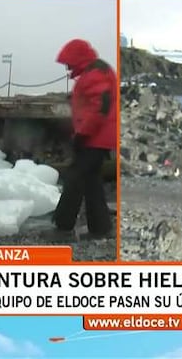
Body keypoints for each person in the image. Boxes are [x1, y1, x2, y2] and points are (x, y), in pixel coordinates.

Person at [51, 39, 116, 237]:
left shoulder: (95, 74)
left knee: (74, 177)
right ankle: (100, 228)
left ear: (77, 59)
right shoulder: (93, 73)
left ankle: (63, 226)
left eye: (68, 63)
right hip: (96, 138)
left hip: (95, 139)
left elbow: (100, 107)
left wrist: (82, 133)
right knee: (91, 182)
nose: (67, 67)